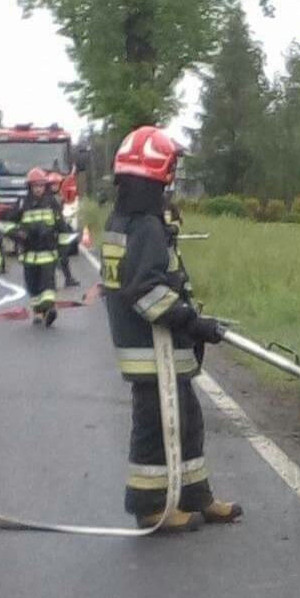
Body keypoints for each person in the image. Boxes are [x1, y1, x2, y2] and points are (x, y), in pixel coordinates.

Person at [102, 125, 242, 532]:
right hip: (153, 350)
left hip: (158, 350)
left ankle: (197, 496)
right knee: (154, 429)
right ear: (159, 171)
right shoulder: (143, 226)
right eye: (171, 170)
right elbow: (145, 292)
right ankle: (149, 506)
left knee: (186, 422)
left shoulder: (129, 219)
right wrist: (191, 322)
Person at [15, 167, 68, 325]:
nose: (38, 189)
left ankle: (50, 309)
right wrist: (19, 233)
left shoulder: (52, 203)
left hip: (47, 253)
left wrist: (62, 253)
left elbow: (62, 228)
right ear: (30, 187)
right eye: (35, 186)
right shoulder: (22, 203)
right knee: (32, 285)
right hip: (29, 254)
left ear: (45, 186)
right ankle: (38, 312)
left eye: (41, 186)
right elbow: (10, 223)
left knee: (48, 285)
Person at [48, 171, 81, 287]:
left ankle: (68, 278)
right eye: (52, 184)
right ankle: (51, 281)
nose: (55, 186)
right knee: (51, 257)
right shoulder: (48, 198)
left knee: (64, 255)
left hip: (61, 228)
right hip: (51, 230)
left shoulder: (60, 196)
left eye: (57, 184)